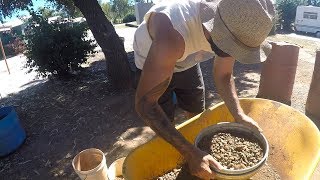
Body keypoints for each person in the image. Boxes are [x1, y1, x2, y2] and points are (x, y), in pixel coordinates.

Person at [133, 0, 275, 179]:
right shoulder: (171, 36)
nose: (233, 53)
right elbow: (145, 105)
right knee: (163, 117)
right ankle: (186, 152)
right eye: (232, 47)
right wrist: (190, 153)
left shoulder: (234, 22)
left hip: (186, 57)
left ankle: (194, 148)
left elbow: (223, 75)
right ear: (216, 28)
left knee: (195, 110)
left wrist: (239, 115)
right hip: (153, 57)